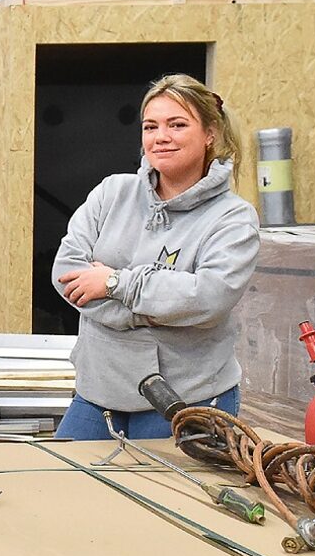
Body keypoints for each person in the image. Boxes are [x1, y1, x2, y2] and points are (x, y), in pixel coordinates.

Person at [52, 73, 259, 440]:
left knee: (168, 497)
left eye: (177, 125)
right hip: (99, 390)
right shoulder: (111, 193)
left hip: (187, 397)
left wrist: (114, 282)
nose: (160, 136)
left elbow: (209, 298)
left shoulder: (233, 217)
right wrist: (163, 307)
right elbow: (67, 274)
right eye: (151, 126)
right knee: (62, 490)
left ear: (210, 133)